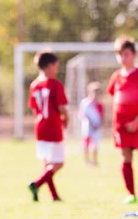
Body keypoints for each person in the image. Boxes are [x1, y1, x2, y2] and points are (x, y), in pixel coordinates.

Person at [106, 37, 138, 204]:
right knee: (125, 157)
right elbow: (115, 98)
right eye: (120, 54)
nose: (123, 58)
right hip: (121, 125)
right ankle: (131, 193)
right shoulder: (116, 76)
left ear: (134, 55)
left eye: (126, 54)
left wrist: (136, 122)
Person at [28, 52, 69, 202]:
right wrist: (66, 117)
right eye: (56, 66)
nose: (57, 69)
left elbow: (34, 108)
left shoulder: (34, 85)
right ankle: (37, 183)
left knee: (46, 163)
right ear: (50, 65)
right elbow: (60, 106)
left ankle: (54, 196)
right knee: (58, 162)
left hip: (39, 127)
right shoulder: (55, 84)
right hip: (52, 126)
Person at [79, 82, 104, 166]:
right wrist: (90, 123)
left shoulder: (99, 104)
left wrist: (98, 125)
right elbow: (82, 114)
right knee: (86, 144)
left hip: (96, 127)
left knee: (95, 144)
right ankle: (86, 161)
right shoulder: (85, 103)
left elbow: (101, 115)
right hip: (87, 127)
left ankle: (94, 161)